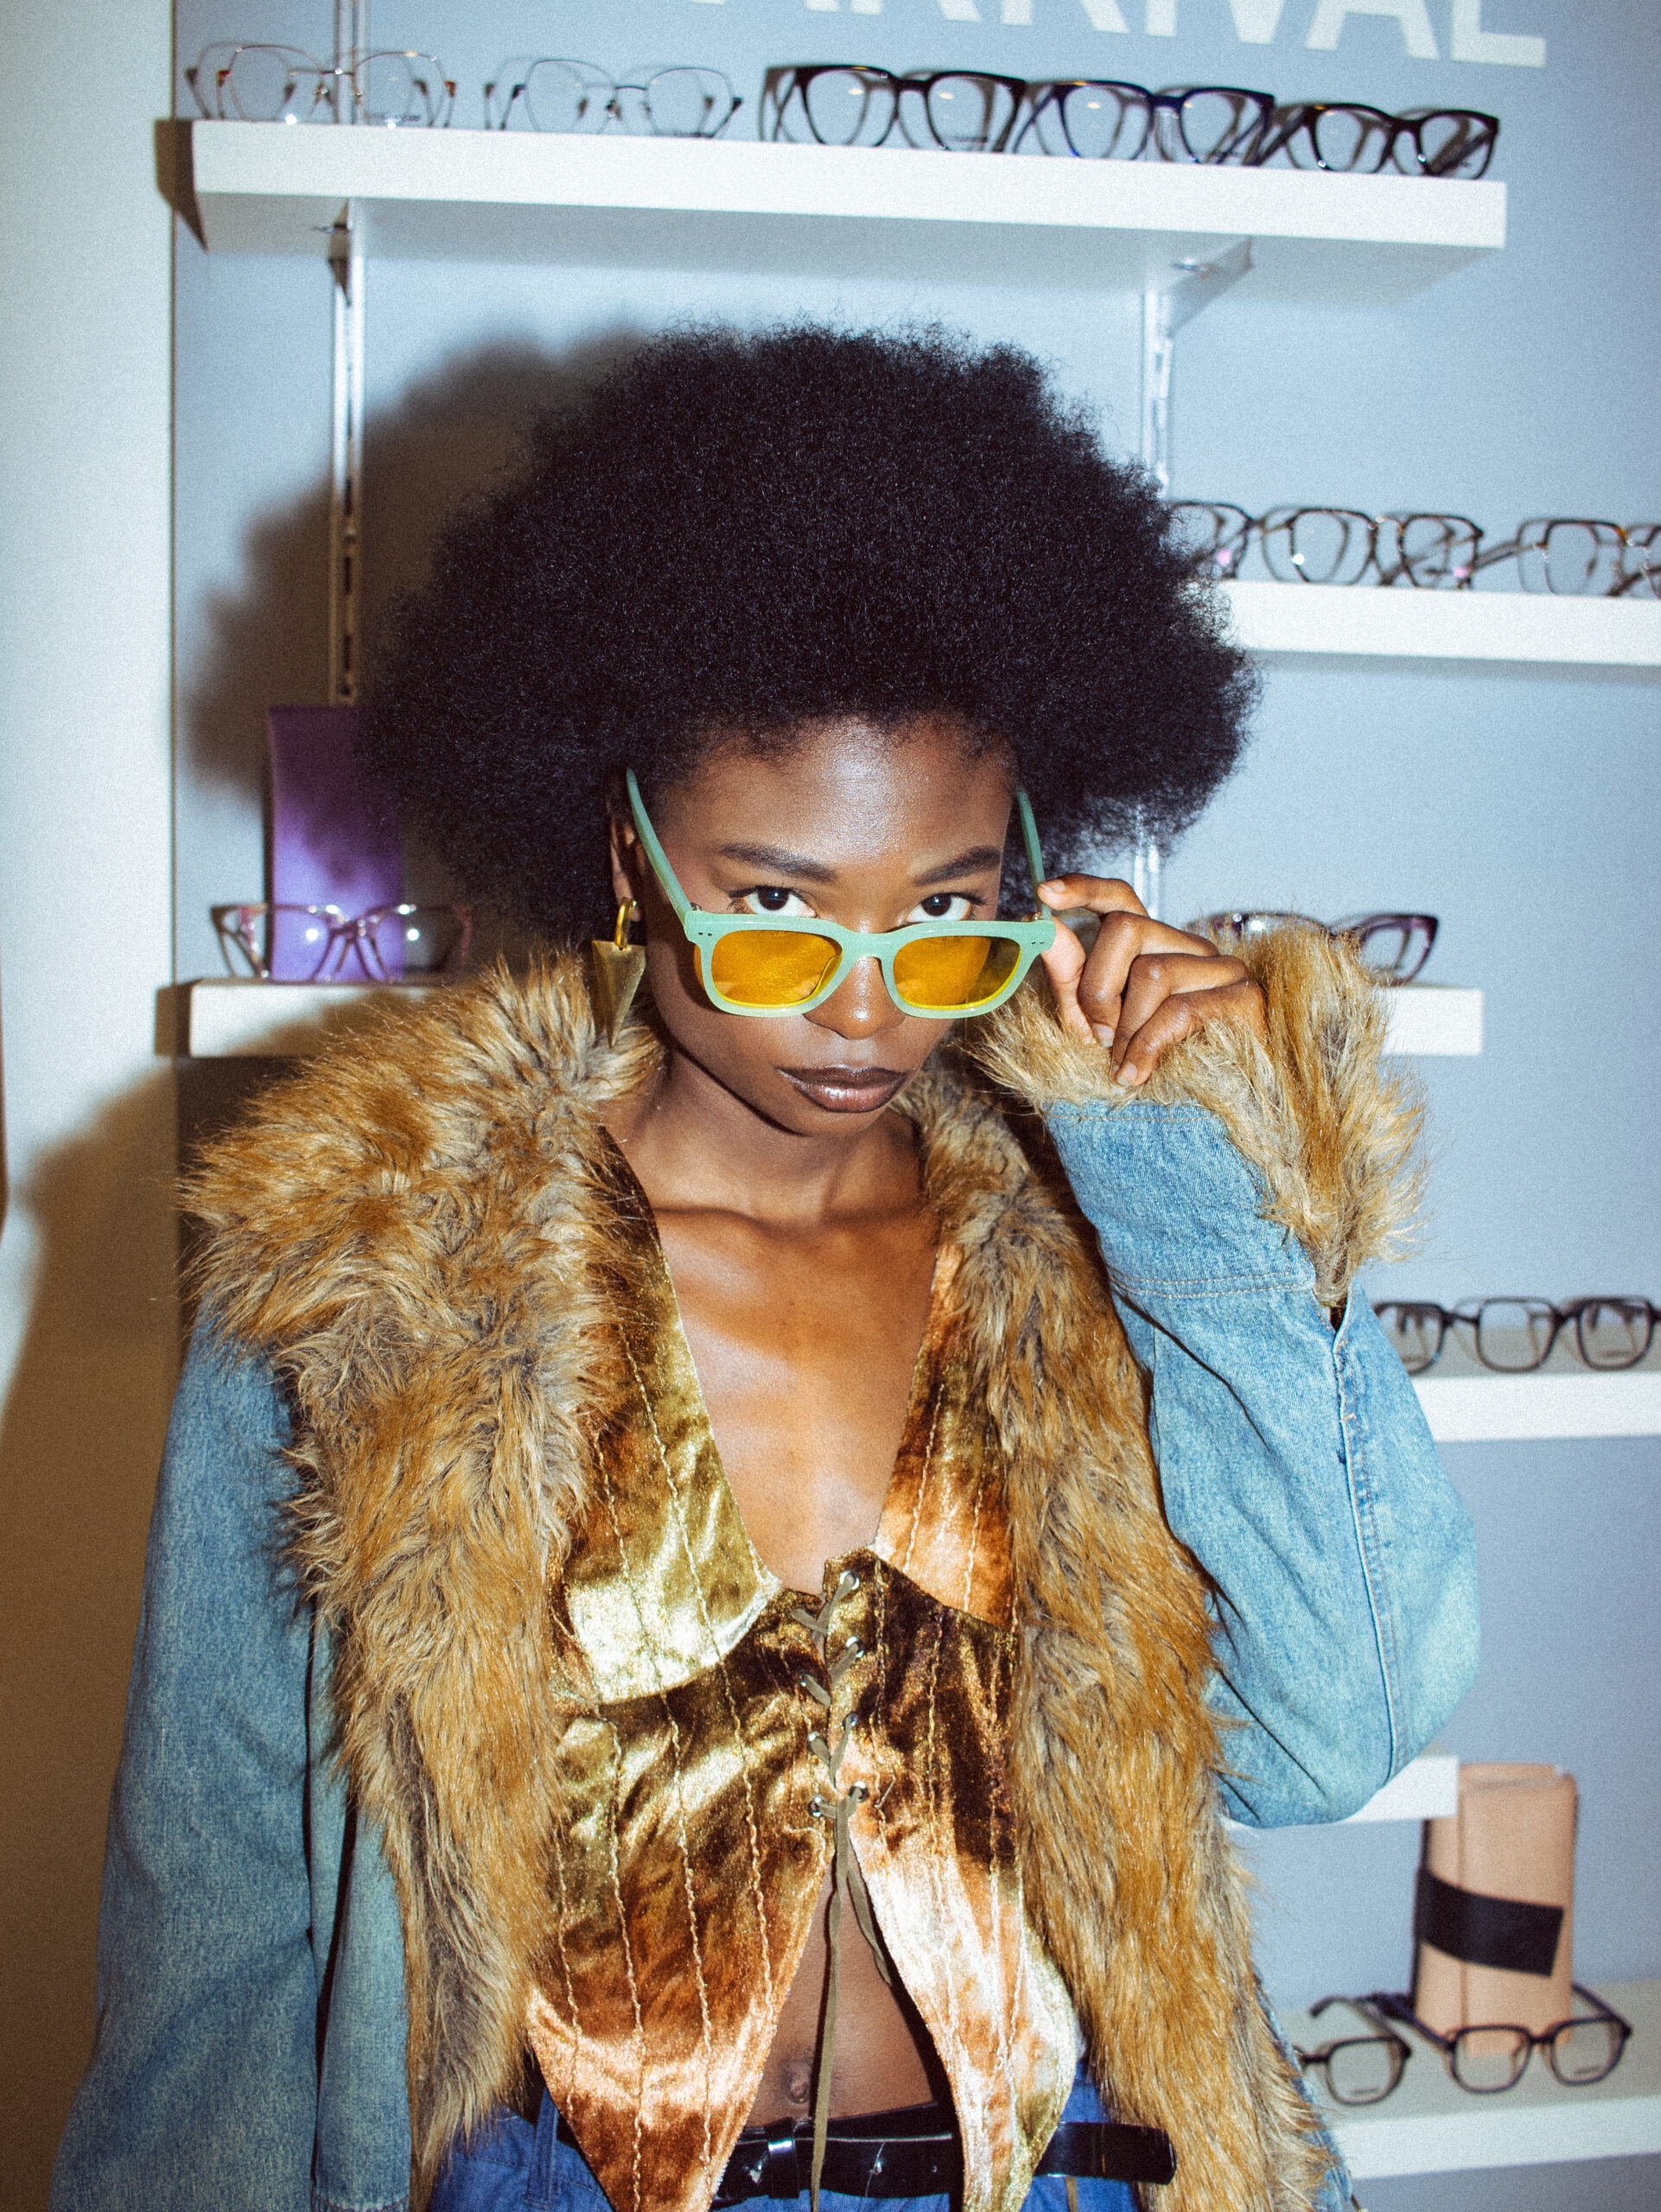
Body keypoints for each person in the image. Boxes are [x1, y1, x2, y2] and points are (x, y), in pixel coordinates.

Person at [53, 327, 1477, 2212]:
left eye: (945, 911)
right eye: (778, 907)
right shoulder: (368, 1287)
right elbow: (216, 1940)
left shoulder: (1096, 1255)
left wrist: (1198, 1174)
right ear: (627, 855)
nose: (866, 1011)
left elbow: (1330, 1730)